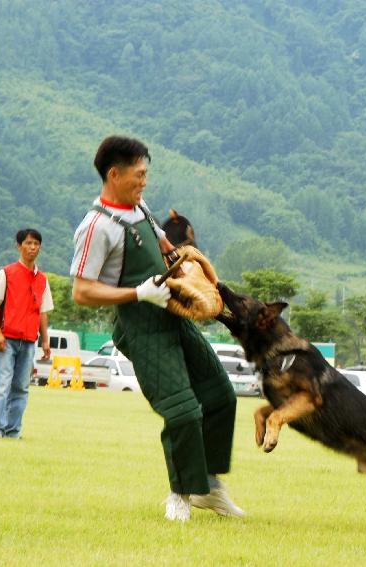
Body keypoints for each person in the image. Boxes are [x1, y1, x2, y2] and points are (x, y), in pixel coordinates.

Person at [71, 135, 241, 523]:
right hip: (142, 328)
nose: (144, 181)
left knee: (220, 395)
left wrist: (182, 261)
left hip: (173, 313)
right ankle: (180, 494)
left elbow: (161, 243)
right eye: (139, 174)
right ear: (114, 174)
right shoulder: (96, 226)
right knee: (182, 413)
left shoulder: (140, 207)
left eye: (146, 174)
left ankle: (208, 487)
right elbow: (82, 291)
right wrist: (136, 293)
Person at [0, 228, 53, 439]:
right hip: (7, 339)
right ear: (19, 246)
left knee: (21, 388)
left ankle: (13, 431)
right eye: (28, 243)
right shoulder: (6, 273)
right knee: (1, 386)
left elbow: (42, 312)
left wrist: (45, 341)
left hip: (29, 341)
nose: (33, 247)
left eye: (36, 244)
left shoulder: (42, 279)